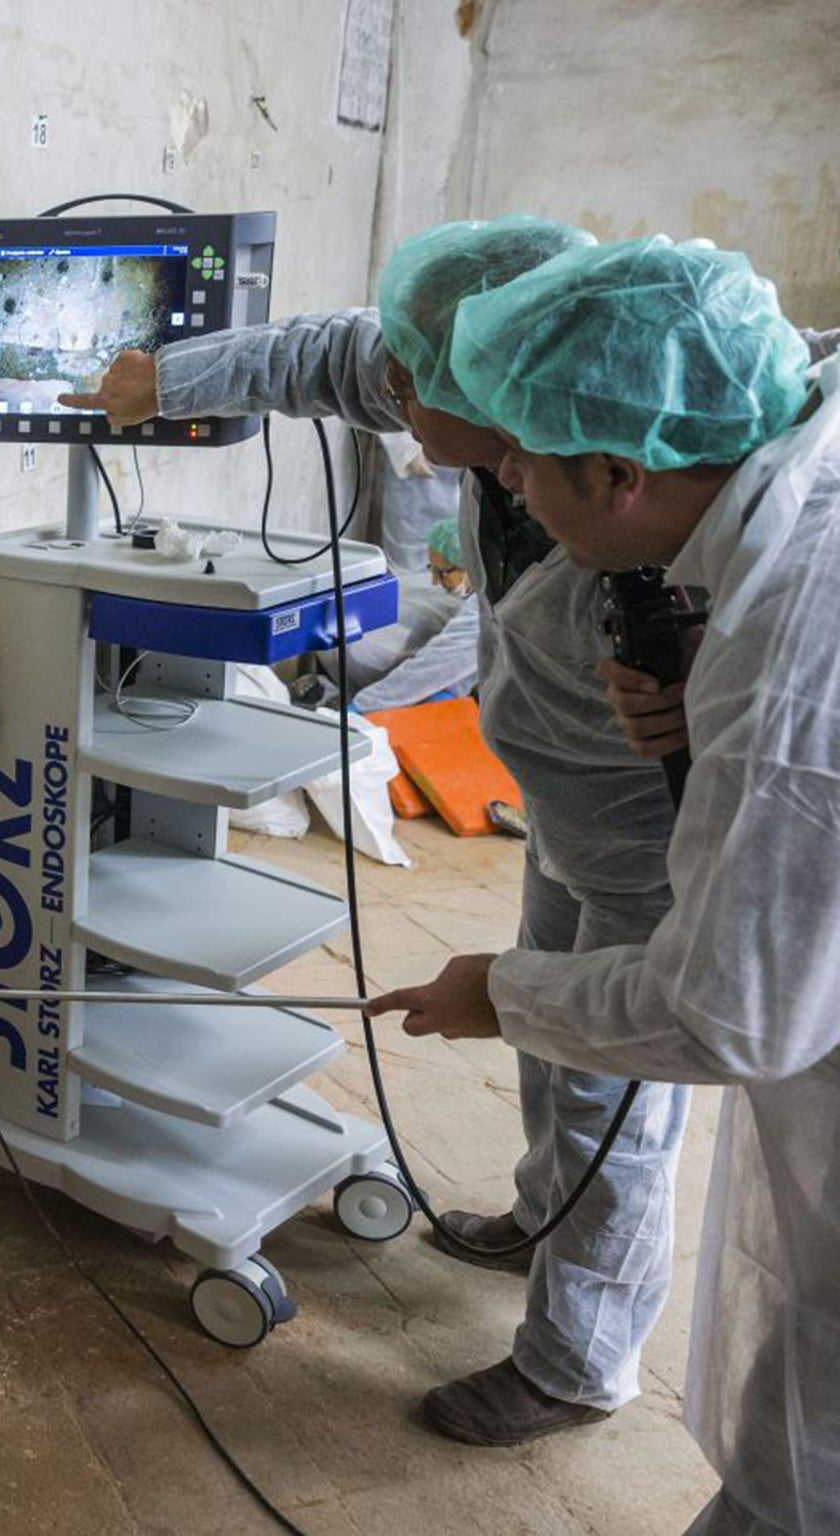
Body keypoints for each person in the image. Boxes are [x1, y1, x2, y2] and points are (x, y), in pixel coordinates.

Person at [59, 217, 699, 1448]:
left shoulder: (644, 465)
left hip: (643, 837)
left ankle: (576, 1364)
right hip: (562, 809)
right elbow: (323, 354)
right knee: (550, 1070)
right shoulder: (478, 391)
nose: (387, 395)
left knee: (609, 1092)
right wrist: (165, 381)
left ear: (510, 400)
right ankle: (538, 1219)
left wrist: (713, 675)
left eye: (411, 384)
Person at [366, 235, 840, 1535]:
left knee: (810, 1460)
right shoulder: (782, 472)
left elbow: (726, 1012)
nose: (502, 477)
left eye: (522, 458)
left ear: (619, 475)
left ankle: (592, 1370)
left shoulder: (797, 660)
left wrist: (500, 994)